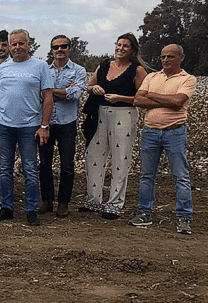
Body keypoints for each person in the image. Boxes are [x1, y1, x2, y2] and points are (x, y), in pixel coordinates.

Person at [0, 29, 53, 226]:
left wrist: (44, 126)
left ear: (29, 44)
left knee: (30, 169)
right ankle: (7, 207)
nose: (17, 47)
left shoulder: (40, 67)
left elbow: (48, 97)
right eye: (13, 44)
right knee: (5, 168)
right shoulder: (2, 69)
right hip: (4, 126)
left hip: (29, 127)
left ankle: (31, 209)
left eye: (20, 43)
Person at [80, 33, 148, 220]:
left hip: (124, 114)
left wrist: (120, 98)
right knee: (93, 155)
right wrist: (93, 89)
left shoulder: (137, 70)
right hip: (99, 113)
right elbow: (88, 85)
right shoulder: (104, 66)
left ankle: (114, 204)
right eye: (118, 45)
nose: (121, 48)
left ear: (132, 50)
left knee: (120, 158)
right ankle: (93, 200)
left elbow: (142, 98)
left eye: (125, 46)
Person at [130, 44, 196, 234]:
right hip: (150, 131)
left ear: (181, 58)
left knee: (181, 176)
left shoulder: (188, 79)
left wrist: (150, 94)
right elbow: (137, 100)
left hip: (175, 131)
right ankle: (144, 213)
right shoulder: (152, 77)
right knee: (146, 175)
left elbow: (178, 103)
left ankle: (184, 217)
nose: (165, 60)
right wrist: (166, 98)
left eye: (170, 57)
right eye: (163, 57)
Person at [38, 35, 86, 218]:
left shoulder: (79, 70)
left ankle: (63, 203)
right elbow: (39, 95)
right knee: (44, 164)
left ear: (69, 48)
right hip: (46, 123)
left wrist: (49, 92)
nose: (60, 49)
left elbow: (76, 94)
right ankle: (47, 201)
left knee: (67, 166)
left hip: (67, 123)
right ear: (51, 49)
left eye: (63, 46)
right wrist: (63, 92)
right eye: (56, 47)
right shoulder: (44, 69)